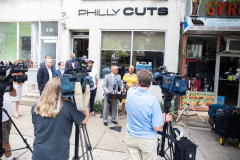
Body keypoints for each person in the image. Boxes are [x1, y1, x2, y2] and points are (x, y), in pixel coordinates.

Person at [31, 77, 89, 160]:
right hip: (58, 154)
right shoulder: (68, 107)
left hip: (38, 152)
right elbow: (84, 121)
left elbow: (35, 125)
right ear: (62, 90)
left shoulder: (36, 106)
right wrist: (84, 102)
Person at [125, 69, 173, 160]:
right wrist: (164, 119)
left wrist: (144, 77)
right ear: (150, 83)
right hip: (147, 140)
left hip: (131, 137)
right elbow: (157, 127)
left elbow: (134, 86)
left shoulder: (130, 92)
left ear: (137, 81)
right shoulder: (153, 100)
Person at [2, 87, 17, 160]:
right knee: (5, 141)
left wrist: (9, 84)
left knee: (5, 138)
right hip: (1, 120)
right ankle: (10, 158)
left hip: (7, 117)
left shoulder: (5, 82)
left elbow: (14, 94)